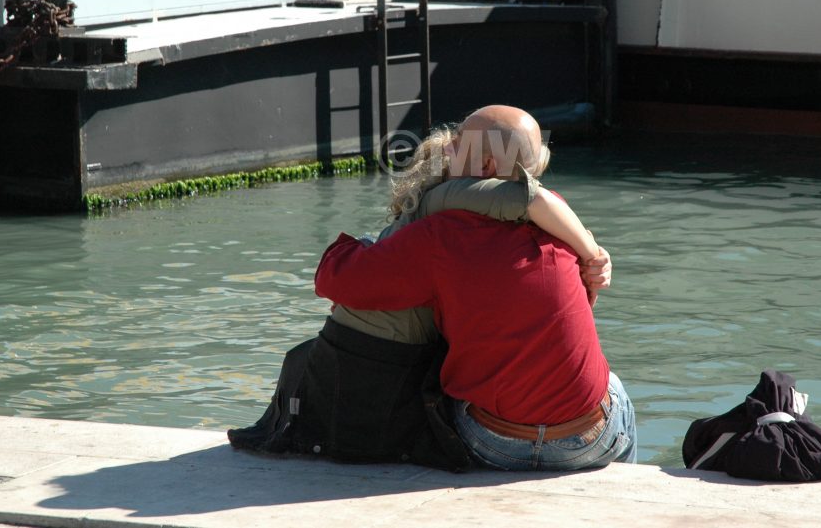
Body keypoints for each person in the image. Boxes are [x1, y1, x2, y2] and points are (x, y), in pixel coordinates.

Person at [229, 113, 614, 468]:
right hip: (590, 440)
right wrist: (595, 254)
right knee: (606, 384)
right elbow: (535, 201)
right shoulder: (561, 223)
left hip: (495, 442)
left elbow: (333, 279)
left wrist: (366, 243)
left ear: (487, 167)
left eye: (459, 143)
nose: (448, 148)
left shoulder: (440, 233)